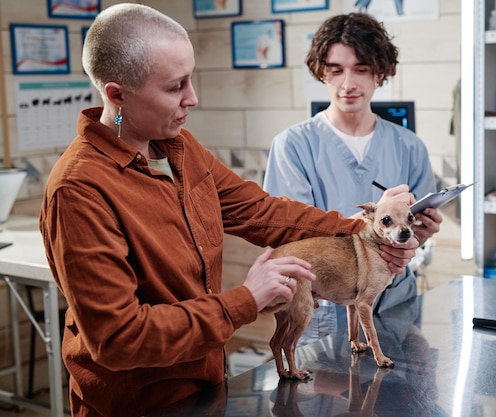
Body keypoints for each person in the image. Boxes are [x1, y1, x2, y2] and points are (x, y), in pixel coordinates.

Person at [38, 4, 420, 417]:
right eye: (175, 86)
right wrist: (245, 300)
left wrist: (367, 230)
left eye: (192, 79)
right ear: (117, 95)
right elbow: (119, 339)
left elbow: (263, 212)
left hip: (204, 385)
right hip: (139, 403)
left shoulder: (181, 150)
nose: (193, 98)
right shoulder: (79, 190)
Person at [263, 13, 442, 346]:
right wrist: (371, 222)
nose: (348, 84)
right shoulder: (293, 147)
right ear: (321, 72)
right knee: (322, 398)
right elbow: (293, 239)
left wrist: (421, 231)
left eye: (361, 69)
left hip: (395, 305)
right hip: (326, 309)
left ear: (380, 72)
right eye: (336, 70)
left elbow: (414, 234)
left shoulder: (408, 146)